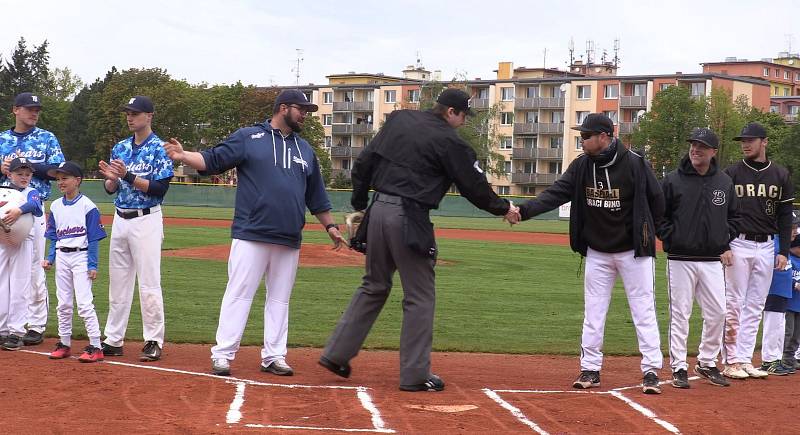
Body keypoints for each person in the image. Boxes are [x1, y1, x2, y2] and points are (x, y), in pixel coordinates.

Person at [318, 88, 518, 392]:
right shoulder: (451, 142)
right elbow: (474, 187)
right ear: (451, 111)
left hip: (378, 212)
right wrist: (504, 209)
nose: (463, 122)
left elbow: (363, 164)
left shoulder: (399, 120)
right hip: (409, 217)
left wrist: (360, 204)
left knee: (374, 285)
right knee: (420, 296)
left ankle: (336, 353)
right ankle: (414, 375)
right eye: (463, 115)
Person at [162, 89, 346, 377]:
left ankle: (274, 356)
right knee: (239, 294)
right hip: (252, 232)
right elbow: (213, 159)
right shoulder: (250, 137)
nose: (305, 116)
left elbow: (316, 195)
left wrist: (331, 226)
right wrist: (183, 154)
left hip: (288, 237)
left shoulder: (305, 150)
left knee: (280, 299)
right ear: (283, 108)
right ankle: (223, 354)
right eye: (302, 110)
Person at [514, 113, 665, 394]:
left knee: (643, 310)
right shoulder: (582, 165)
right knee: (593, 312)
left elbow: (657, 201)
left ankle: (651, 370)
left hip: (634, 252)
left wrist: (648, 233)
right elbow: (556, 193)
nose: (581, 140)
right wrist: (523, 211)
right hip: (597, 251)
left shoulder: (635, 163)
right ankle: (590, 369)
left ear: (604, 137)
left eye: (586, 136)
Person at [657, 128, 737, 388]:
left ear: (713, 152)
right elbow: (660, 216)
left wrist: (723, 239)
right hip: (680, 257)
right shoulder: (672, 180)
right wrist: (673, 237)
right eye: (693, 144)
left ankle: (706, 361)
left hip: (712, 259)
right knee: (680, 313)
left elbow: (734, 218)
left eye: (702, 146)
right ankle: (679, 366)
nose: (695, 149)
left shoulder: (724, 182)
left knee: (718, 312)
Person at [98, 96, 173, 362]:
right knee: (118, 283)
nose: (130, 117)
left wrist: (127, 175)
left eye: (136, 113)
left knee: (149, 282)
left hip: (146, 219)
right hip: (120, 218)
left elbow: (160, 189)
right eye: (128, 113)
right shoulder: (120, 147)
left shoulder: (159, 148)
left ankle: (153, 340)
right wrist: (111, 180)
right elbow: (112, 189)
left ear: (149, 116)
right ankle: (113, 339)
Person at [722, 122, 794, 379]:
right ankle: (730, 360)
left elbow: (786, 216)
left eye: (750, 140)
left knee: (755, 304)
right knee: (734, 302)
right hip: (738, 243)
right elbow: (721, 212)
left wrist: (783, 250)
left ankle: (745, 358)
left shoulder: (780, 175)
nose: (745, 144)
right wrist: (724, 244)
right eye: (743, 140)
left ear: (764, 142)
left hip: (767, 245)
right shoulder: (731, 173)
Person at [0, 92, 65, 346]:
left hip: (33, 208)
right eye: (29, 108)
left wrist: (20, 166)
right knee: (4, 271)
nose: (34, 113)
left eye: (37, 109)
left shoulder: (46, 138)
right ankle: (6, 325)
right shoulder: (2, 139)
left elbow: (59, 171)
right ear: (16, 110)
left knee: (35, 268)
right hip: (5, 208)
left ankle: (36, 325)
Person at [42, 161, 107, 363]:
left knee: (85, 303)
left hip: (81, 256)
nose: (60, 182)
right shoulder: (55, 205)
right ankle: (64, 343)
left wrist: (93, 265)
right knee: (63, 304)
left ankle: (96, 346)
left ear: (77, 180)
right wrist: (50, 258)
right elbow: (53, 236)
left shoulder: (88, 206)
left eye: (65, 178)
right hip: (62, 256)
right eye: (58, 178)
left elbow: (94, 238)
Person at [0, 158, 43, 350]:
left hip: (23, 240)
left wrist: (19, 210)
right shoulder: (3, 190)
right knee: (1, 284)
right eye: (20, 173)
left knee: (19, 285)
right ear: (9, 174)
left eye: (28, 174)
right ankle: (2, 330)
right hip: (2, 240)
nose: (24, 177)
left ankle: (16, 332)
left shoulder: (31, 192)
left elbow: (36, 206)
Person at [782, 216, 800, 370]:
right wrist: (795, 284)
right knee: (788, 332)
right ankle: (782, 358)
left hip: (799, 305)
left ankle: (790, 358)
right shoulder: (788, 259)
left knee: (796, 335)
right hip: (789, 304)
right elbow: (785, 277)